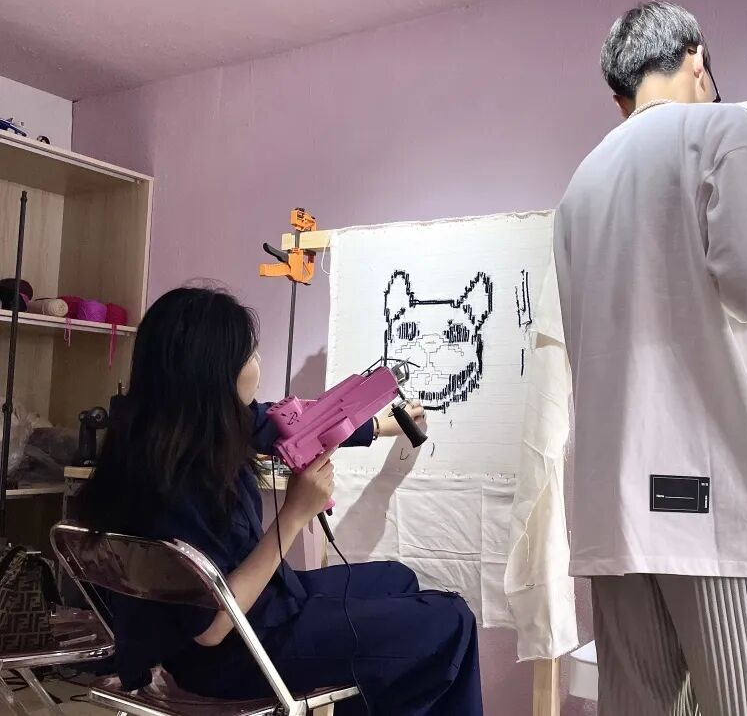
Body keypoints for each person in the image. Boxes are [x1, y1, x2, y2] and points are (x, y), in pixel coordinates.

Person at [553, 1, 747, 716]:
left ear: (620, 93)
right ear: (697, 58)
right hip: (728, 511)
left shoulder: (581, 185)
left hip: (616, 513)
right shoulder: (722, 132)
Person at [77, 286, 483, 715]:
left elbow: (290, 424)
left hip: (253, 611)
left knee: (397, 579)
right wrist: (294, 514)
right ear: (215, 372)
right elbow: (212, 627)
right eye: (249, 354)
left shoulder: (174, 425)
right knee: (451, 619)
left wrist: (378, 426)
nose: (258, 363)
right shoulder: (178, 482)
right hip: (233, 654)